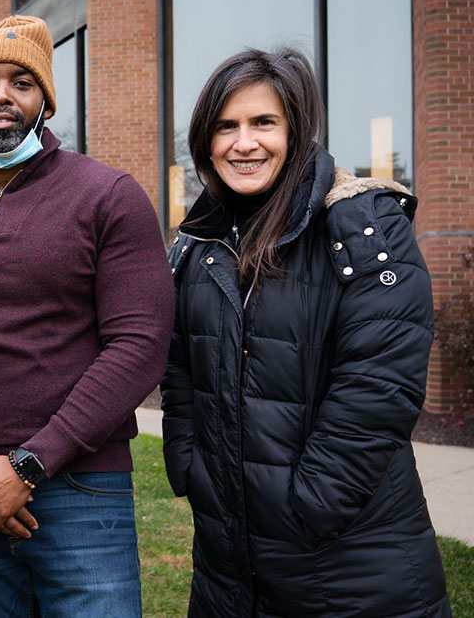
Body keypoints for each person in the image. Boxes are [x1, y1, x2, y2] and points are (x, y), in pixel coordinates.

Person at [0, 15, 174, 617]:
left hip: (82, 486)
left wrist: (30, 464)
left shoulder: (109, 195)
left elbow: (140, 345)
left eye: (21, 82)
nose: (1, 95)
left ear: (46, 102)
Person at [162, 47, 452, 616]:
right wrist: (190, 465)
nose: (244, 143)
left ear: (295, 130)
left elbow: (379, 386)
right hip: (225, 566)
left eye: (263, 123)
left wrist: (310, 505)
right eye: (226, 126)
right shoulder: (199, 243)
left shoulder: (363, 225)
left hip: (347, 564)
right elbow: (179, 371)